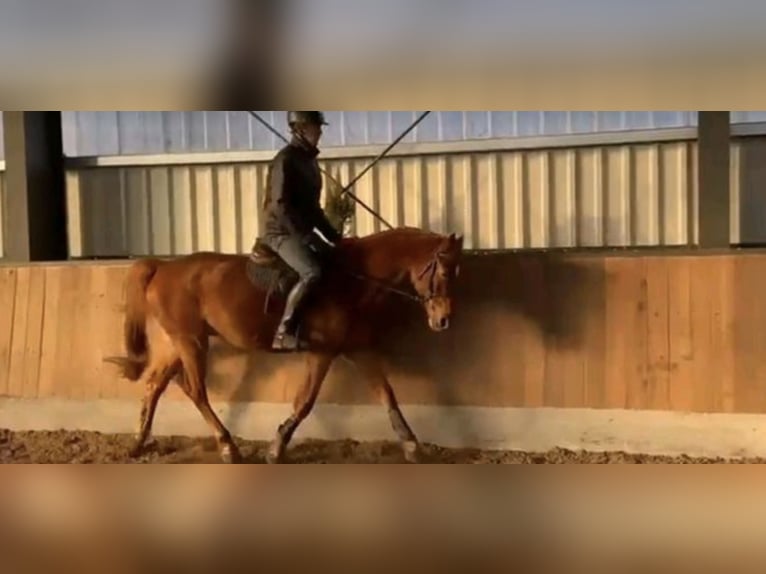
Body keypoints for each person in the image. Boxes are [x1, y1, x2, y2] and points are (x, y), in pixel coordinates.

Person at [259, 111, 344, 351]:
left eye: (319, 127)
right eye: (316, 127)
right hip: (280, 232)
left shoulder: (310, 162)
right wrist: (306, 237)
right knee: (311, 271)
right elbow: (280, 205)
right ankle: (282, 332)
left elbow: (314, 209)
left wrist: (335, 238)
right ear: (300, 129)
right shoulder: (285, 160)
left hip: (299, 231)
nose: (320, 132)